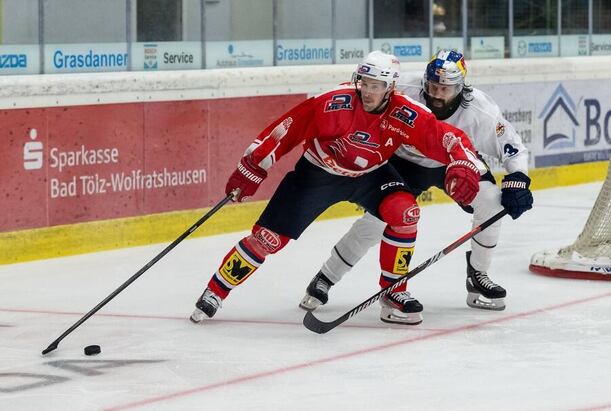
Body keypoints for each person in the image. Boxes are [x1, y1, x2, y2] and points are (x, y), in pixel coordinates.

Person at [190, 51, 485, 325]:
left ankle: (394, 291)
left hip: (371, 174)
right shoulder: (333, 102)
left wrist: (464, 164)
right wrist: (253, 168)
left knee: (405, 212)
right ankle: (216, 290)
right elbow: (285, 130)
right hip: (318, 174)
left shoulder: (404, 113)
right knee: (267, 239)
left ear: (391, 87)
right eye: (365, 83)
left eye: (377, 85)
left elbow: (448, 138)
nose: (368, 91)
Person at [299, 50, 533, 324]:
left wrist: (518, 180)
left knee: (492, 201)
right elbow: (362, 99)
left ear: (460, 88)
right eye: (432, 86)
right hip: (404, 161)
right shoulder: (404, 90)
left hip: (454, 163)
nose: (436, 94)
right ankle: (327, 276)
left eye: (444, 89)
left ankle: (478, 274)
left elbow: (514, 149)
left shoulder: (480, 110)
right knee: (377, 220)